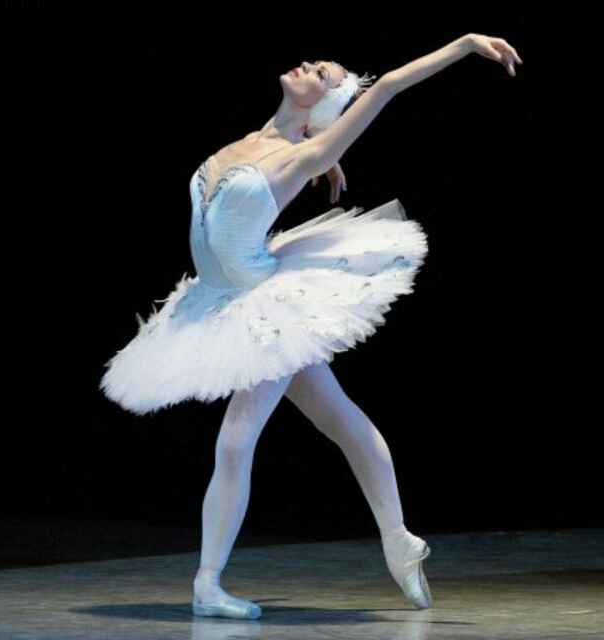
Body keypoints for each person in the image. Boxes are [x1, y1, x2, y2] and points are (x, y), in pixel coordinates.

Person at [100, 34, 523, 620]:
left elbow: (390, 85)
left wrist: (465, 44)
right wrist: (313, 145)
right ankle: (399, 540)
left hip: (263, 311)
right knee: (341, 419)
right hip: (217, 301)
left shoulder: (309, 154)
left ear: (324, 105)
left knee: (237, 438)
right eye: (317, 63)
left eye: (322, 73)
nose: (309, 65)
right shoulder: (267, 140)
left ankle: (208, 583)